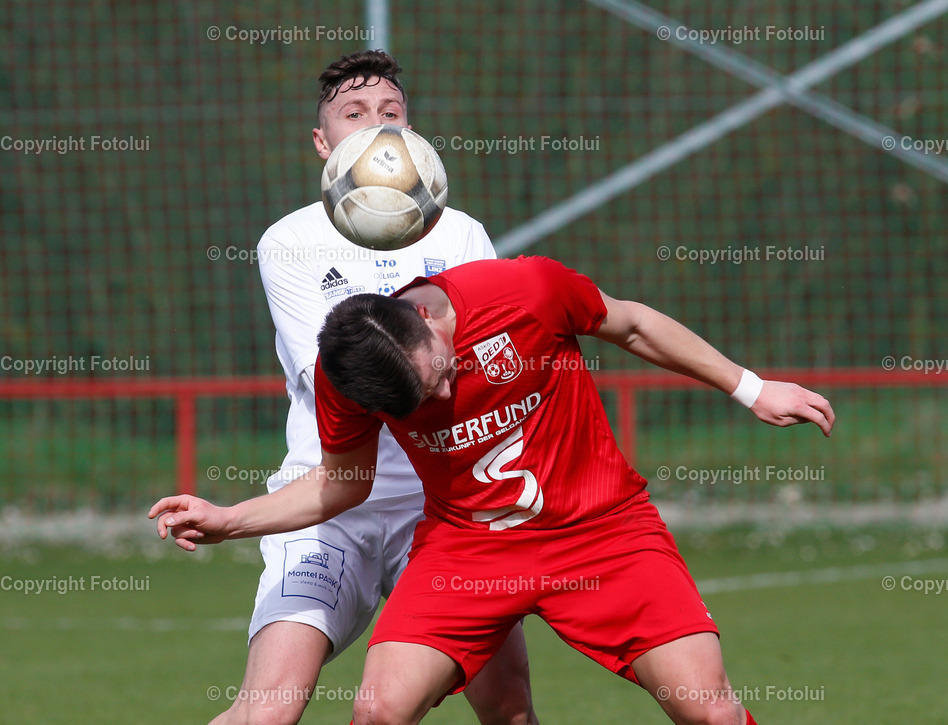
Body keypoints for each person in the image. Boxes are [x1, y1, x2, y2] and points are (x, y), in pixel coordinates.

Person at [151, 255, 835, 725]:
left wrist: (751, 387)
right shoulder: (348, 375)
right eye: (422, 400)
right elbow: (343, 483)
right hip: (467, 549)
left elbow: (630, 323)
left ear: (424, 316)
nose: (443, 397)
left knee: (709, 709)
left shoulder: (525, 291)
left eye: (441, 375)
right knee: (378, 710)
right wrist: (230, 519)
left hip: (602, 533)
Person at [195, 51, 537, 725]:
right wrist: (431, 363)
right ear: (323, 143)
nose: (376, 124)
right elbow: (341, 382)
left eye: (391, 112)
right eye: (353, 114)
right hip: (325, 505)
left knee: (508, 704)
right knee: (267, 710)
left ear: (412, 134)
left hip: (442, 511)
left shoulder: (462, 234)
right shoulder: (288, 242)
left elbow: (482, 370)